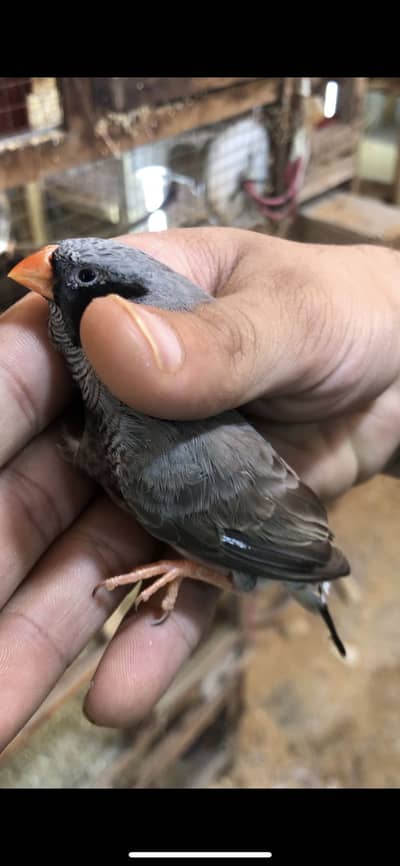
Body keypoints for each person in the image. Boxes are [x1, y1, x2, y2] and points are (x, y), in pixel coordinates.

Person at [0, 226, 399, 751]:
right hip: (283, 496)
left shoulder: (153, 464)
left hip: (276, 542)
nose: (45, 268)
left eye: (84, 277)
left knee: (222, 554)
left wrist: (186, 564)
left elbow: (249, 550)